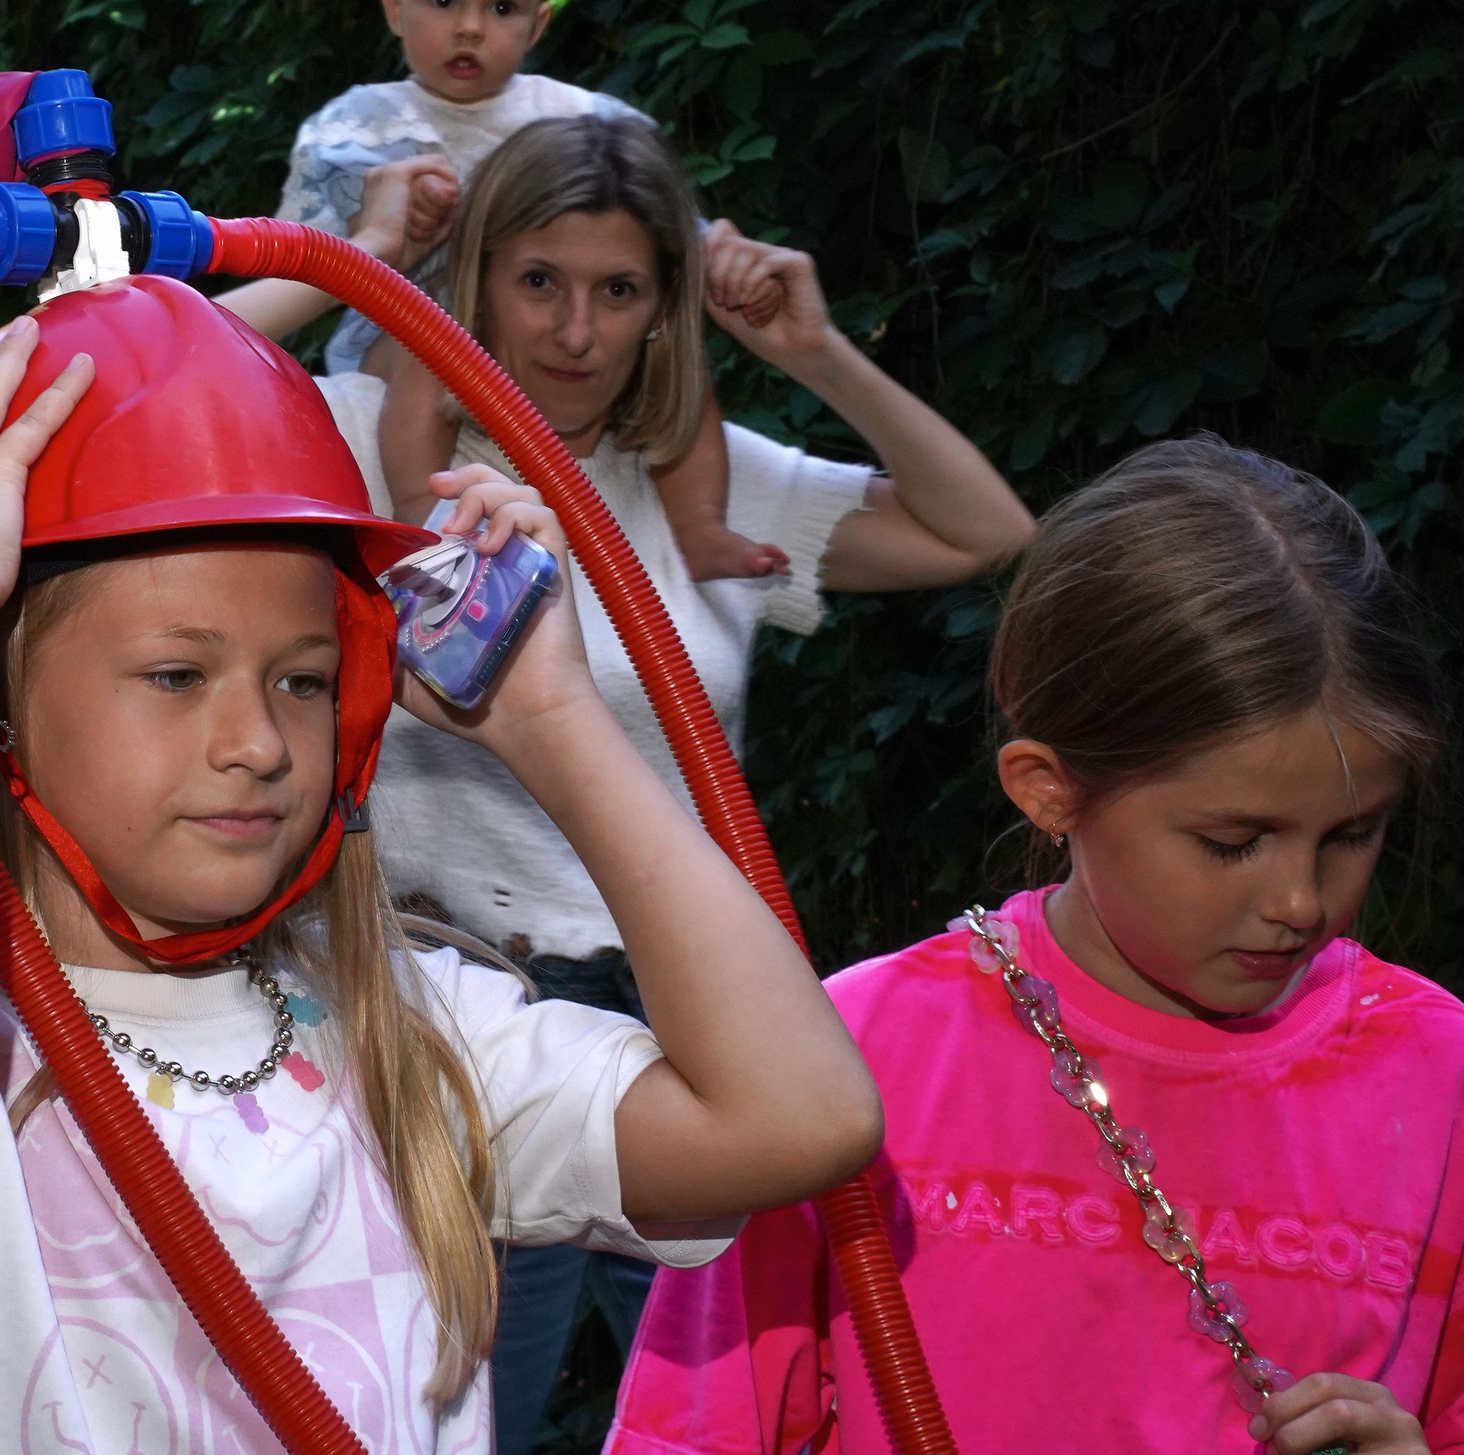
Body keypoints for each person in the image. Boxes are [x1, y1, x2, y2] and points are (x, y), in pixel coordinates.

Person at [0, 286, 884, 1452]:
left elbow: (797, 1118)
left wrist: (557, 725)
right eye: (176, 675)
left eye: (305, 680)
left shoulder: (408, 1028)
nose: (259, 745)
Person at [306, 111, 1035, 1454]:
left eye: (620, 289)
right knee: (464, 1411)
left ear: (665, 308)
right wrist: (346, 259)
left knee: (734, 1413)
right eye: (539, 281)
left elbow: (985, 531)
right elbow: (139, 378)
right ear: (476, 280)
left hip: (696, 1022)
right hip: (447, 1010)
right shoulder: (360, 432)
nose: (576, 329)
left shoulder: (694, 478)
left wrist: (811, 351)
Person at [609, 435, 1463, 1454]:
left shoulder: (1437, 1075)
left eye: (1352, 835)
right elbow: (694, 1431)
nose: (1297, 900)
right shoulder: (848, 1052)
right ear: (1048, 789)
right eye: (1232, 842)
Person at [216, 0, 784, 583]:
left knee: (674, 350)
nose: (470, 28)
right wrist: (375, 237)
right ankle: (426, 514)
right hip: (398, 343)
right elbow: (300, 261)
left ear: (539, 22)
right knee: (433, 341)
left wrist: (730, 262)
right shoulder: (355, 129)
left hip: (536, 337)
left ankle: (700, 528)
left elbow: (669, 240)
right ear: (395, 7)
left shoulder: (583, 119)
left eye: (503, 7)